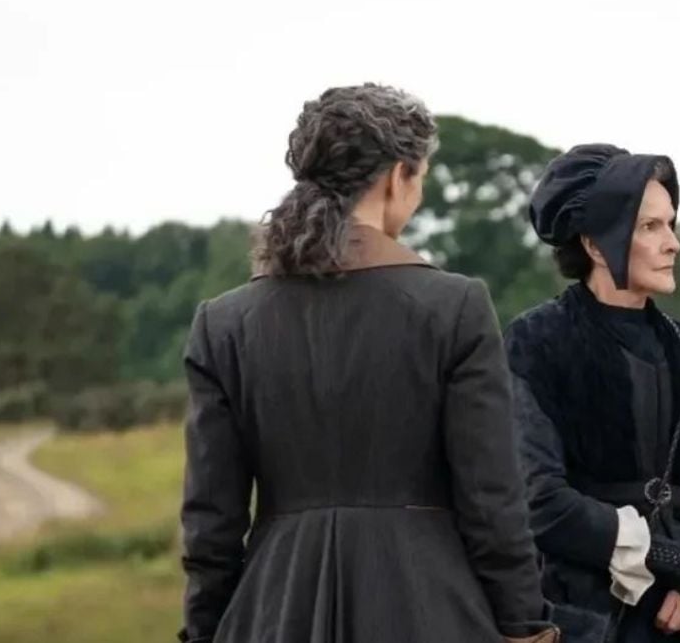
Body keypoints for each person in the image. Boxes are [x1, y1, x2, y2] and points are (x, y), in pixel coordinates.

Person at [178, 83, 556, 643]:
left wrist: (203, 631)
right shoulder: (454, 308)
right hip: (430, 610)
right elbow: (493, 501)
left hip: (273, 614)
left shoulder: (224, 324)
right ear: (397, 175)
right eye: (420, 178)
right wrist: (525, 626)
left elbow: (211, 524)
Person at [504, 144, 680, 643]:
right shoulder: (537, 341)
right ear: (597, 245)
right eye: (651, 227)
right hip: (590, 607)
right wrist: (672, 562)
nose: (673, 244)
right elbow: (539, 499)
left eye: (670, 224)